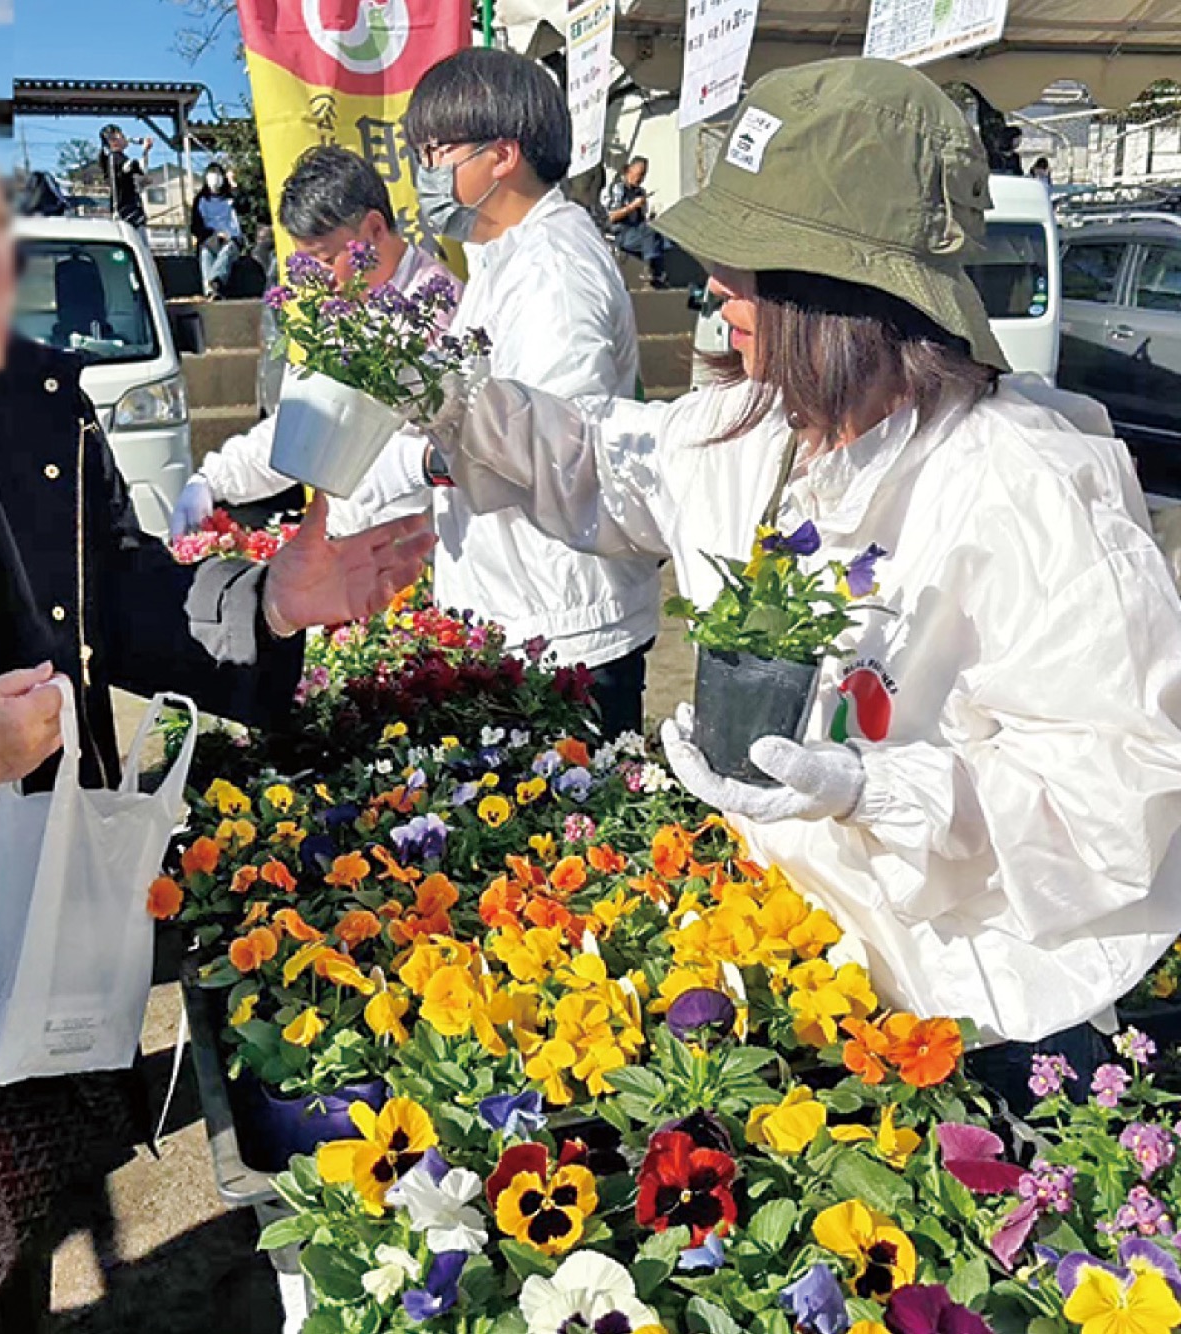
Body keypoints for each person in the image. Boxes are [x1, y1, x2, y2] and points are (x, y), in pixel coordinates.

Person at [419, 58, 1181, 1109]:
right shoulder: (756, 428)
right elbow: (612, 466)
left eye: (751, 260)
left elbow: (1117, 798)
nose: (717, 284)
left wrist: (881, 789)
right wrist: (456, 404)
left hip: (958, 1017)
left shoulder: (1028, 482)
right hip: (787, 961)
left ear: (851, 292)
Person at [0, 149, 433, 1330]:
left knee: (15, 1220)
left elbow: (114, 591)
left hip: (27, 894)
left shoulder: (28, 386)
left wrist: (273, 598)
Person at [338, 47, 661, 738]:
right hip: (520, 605)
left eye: (437, 150)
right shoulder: (504, 255)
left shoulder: (552, 271)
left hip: (561, 627)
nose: (425, 173)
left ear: (504, 154)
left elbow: (548, 444)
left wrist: (411, 463)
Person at [169, 145, 460, 538]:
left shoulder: (443, 313)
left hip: (423, 551)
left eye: (324, 259)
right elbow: (302, 428)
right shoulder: (344, 309)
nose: (320, 278)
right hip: (354, 547)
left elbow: (451, 457)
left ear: (374, 229)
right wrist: (212, 480)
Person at [603, 156, 668, 287]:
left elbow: (643, 219)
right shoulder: (618, 189)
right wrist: (631, 207)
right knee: (649, 232)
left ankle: (659, 273)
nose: (640, 179)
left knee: (664, 238)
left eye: (643, 175)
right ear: (628, 171)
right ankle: (648, 271)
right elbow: (610, 217)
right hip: (621, 233)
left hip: (637, 231)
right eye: (639, 174)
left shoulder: (640, 192)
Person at [190, 161, 243, 300]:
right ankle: (210, 292)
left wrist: (233, 185)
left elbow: (245, 207)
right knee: (206, 253)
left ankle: (215, 282)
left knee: (226, 252)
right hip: (210, 240)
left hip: (231, 240)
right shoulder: (201, 200)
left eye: (218, 175)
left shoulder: (230, 198)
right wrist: (213, 235)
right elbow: (195, 227)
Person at [97, 124, 152, 239]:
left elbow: (139, 169)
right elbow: (140, 167)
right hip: (127, 213)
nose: (126, 138)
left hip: (127, 212)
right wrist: (146, 150)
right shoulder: (116, 158)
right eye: (122, 135)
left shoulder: (115, 158)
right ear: (113, 141)